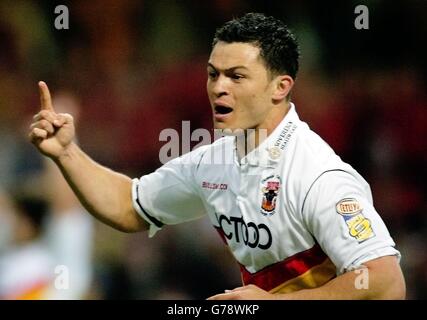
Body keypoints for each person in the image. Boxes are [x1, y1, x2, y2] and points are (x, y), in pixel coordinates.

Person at [29, 12, 405, 299]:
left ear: (280, 87)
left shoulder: (317, 176)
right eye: (213, 74)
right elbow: (129, 206)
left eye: (236, 76)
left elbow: (386, 279)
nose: (218, 88)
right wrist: (66, 153)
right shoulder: (215, 162)